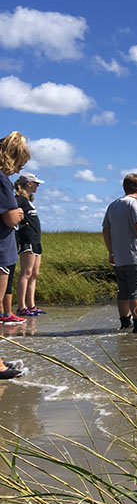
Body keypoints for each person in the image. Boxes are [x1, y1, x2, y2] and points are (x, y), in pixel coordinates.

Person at [102, 173, 137, 332]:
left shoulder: (113, 205)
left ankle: (125, 323)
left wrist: (111, 251)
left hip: (120, 258)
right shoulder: (136, 203)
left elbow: (106, 230)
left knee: (123, 292)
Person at [0, 132, 29, 378]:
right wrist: (18, 214)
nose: (19, 169)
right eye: (20, 163)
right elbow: (10, 218)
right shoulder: (2, 180)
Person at [14, 173, 46, 316]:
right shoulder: (19, 199)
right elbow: (11, 210)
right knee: (26, 273)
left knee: (34, 274)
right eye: (35, 183)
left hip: (35, 239)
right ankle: (22, 306)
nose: (37, 186)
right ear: (28, 183)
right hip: (27, 239)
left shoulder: (29, 200)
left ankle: (31, 304)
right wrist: (20, 222)